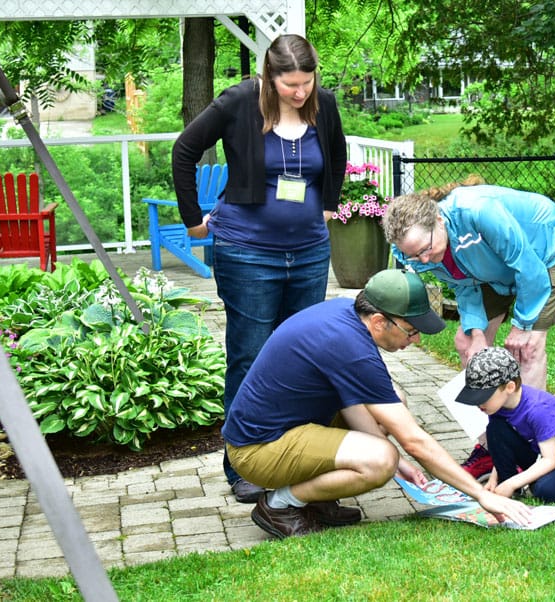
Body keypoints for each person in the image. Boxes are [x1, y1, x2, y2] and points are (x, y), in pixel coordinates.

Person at [222, 269, 539, 539]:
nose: (415, 340)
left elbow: (351, 403)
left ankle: (314, 500)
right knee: (380, 460)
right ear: (377, 321)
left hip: (286, 429)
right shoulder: (350, 345)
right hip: (257, 451)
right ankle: (280, 504)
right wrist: (482, 495)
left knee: (392, 404)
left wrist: (402, 465)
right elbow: (414, 441)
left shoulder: (345, 318)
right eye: (411, 331)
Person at [171, 34, 347, 503]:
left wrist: (328, 204)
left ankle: (295, 453)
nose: (299, 93)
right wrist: (192, 220)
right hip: (247, 253)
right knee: (249, 356)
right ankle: (241, 464)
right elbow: (185, 150)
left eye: (306, 83)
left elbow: (337, 152)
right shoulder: (239, 102)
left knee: (304, 357)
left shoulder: (323, 105)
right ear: (270, 76)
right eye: (290, 84)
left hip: (309, 254)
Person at [382, 182, 555, 479]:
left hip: (544, 253)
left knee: (528, 348)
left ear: (440, 220)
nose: (422, 259)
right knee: (467, 345)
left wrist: (522, 326)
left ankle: (535, 449)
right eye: (414, 255)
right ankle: (490, 446)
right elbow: (462, 282)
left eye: (425, 249)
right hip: (489, 271)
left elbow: (527, 266)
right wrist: (477, 333)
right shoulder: (414, 249)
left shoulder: (478, 211)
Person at [455, 347, 555, 503]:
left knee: (545, 490)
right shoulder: (497, 406)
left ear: (510, 387)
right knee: (494, 429)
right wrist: (494, 478)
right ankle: (510, 484)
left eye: (483, 397)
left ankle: (519, 482)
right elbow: (499, 443)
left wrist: (512, 484)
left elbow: (551, 460)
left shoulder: (539, 409)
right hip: (536, 451)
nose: (478, 404)